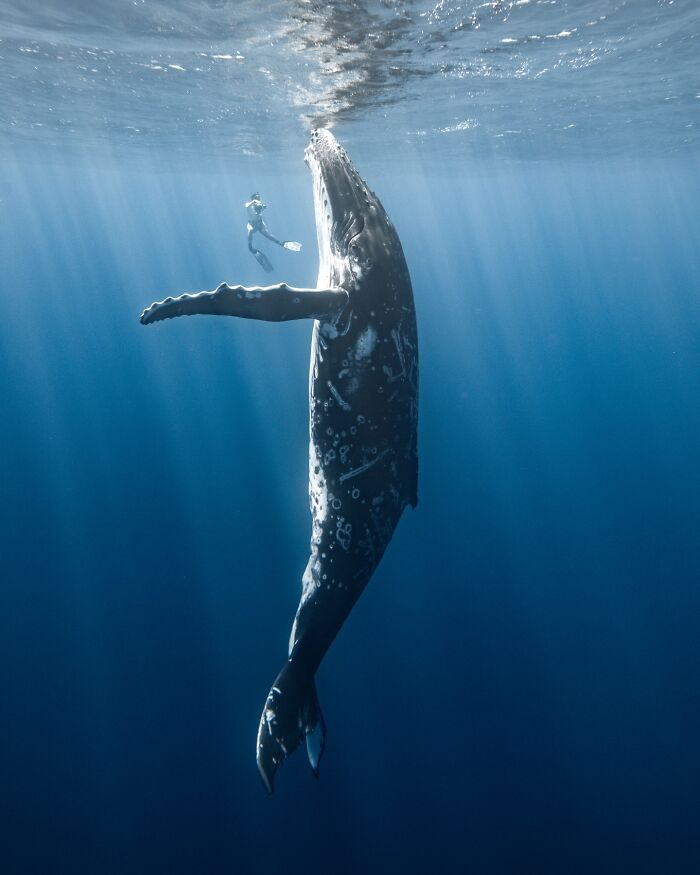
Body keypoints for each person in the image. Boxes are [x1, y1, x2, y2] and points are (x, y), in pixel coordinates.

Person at [245, 193, 301, 273]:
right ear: (253, 199)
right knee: (250, 231)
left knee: (268, 235)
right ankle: (250, 247)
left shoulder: (259, 204)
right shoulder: (249, 205)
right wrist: (254, 201)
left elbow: (262, 209)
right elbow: (247, 205)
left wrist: (261, 206)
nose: (259, 200)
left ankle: (281, 243)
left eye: (259, 198)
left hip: (260, 223)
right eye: (257, 198)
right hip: (252, 224)